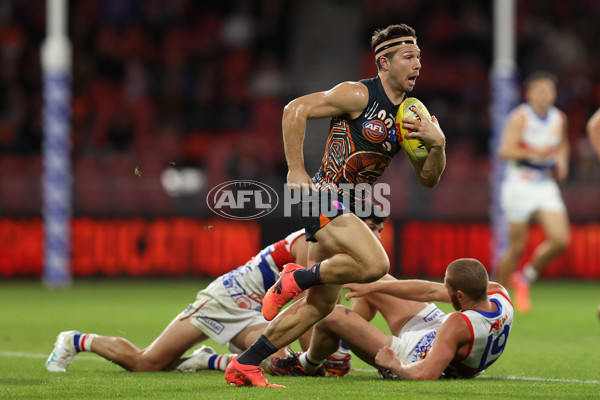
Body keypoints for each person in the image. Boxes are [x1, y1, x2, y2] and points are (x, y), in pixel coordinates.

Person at [225, 23, 446, 388]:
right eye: (409, 57)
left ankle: (245, 364)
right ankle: (296, 277)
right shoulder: (358, 94)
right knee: (377, 263)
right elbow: (293, 109)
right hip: (323, 197)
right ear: (384, 63)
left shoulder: (410, 117)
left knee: (319, 307)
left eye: (419, 57)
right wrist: (296, 168)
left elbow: (429, 178)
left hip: (349, 206)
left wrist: (437, 146)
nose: (418, 64)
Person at [45, 214, 386, 373]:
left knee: (278, 365)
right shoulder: (312, 242)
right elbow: (305, 306)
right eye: (370, 228)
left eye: (379, 231)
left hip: (257, 312)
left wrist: (323, 356)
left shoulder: (337, 251)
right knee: (145, 364)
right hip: (224, 300)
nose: (374, 236)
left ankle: (208, 361)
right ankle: (74, 339)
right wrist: (325, 357)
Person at [268, 258, 513, 380]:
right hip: (438, 331)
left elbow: (426, 373)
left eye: (447, 288)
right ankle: (340, 353)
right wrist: (373, 288)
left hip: (415, 355)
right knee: (377, 280)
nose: (443, 291)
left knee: (329, 312)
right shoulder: (499, 294)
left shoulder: (458, 324)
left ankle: (307, 364)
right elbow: (429, 291)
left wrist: (394, 364)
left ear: (459, 295)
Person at [495, 71, 570, 314]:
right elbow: (505, 151)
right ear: (529, 93)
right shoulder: (521, 117)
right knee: (516, 247)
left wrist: (562, 161)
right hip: (520, 184)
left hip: (544, 185)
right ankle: (494, 295)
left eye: (549, 90)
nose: (545, 95)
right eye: (540, 90)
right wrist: (533, 155)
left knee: (560, 240)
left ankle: (524, 278)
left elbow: (562, 144)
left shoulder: (559, 118)